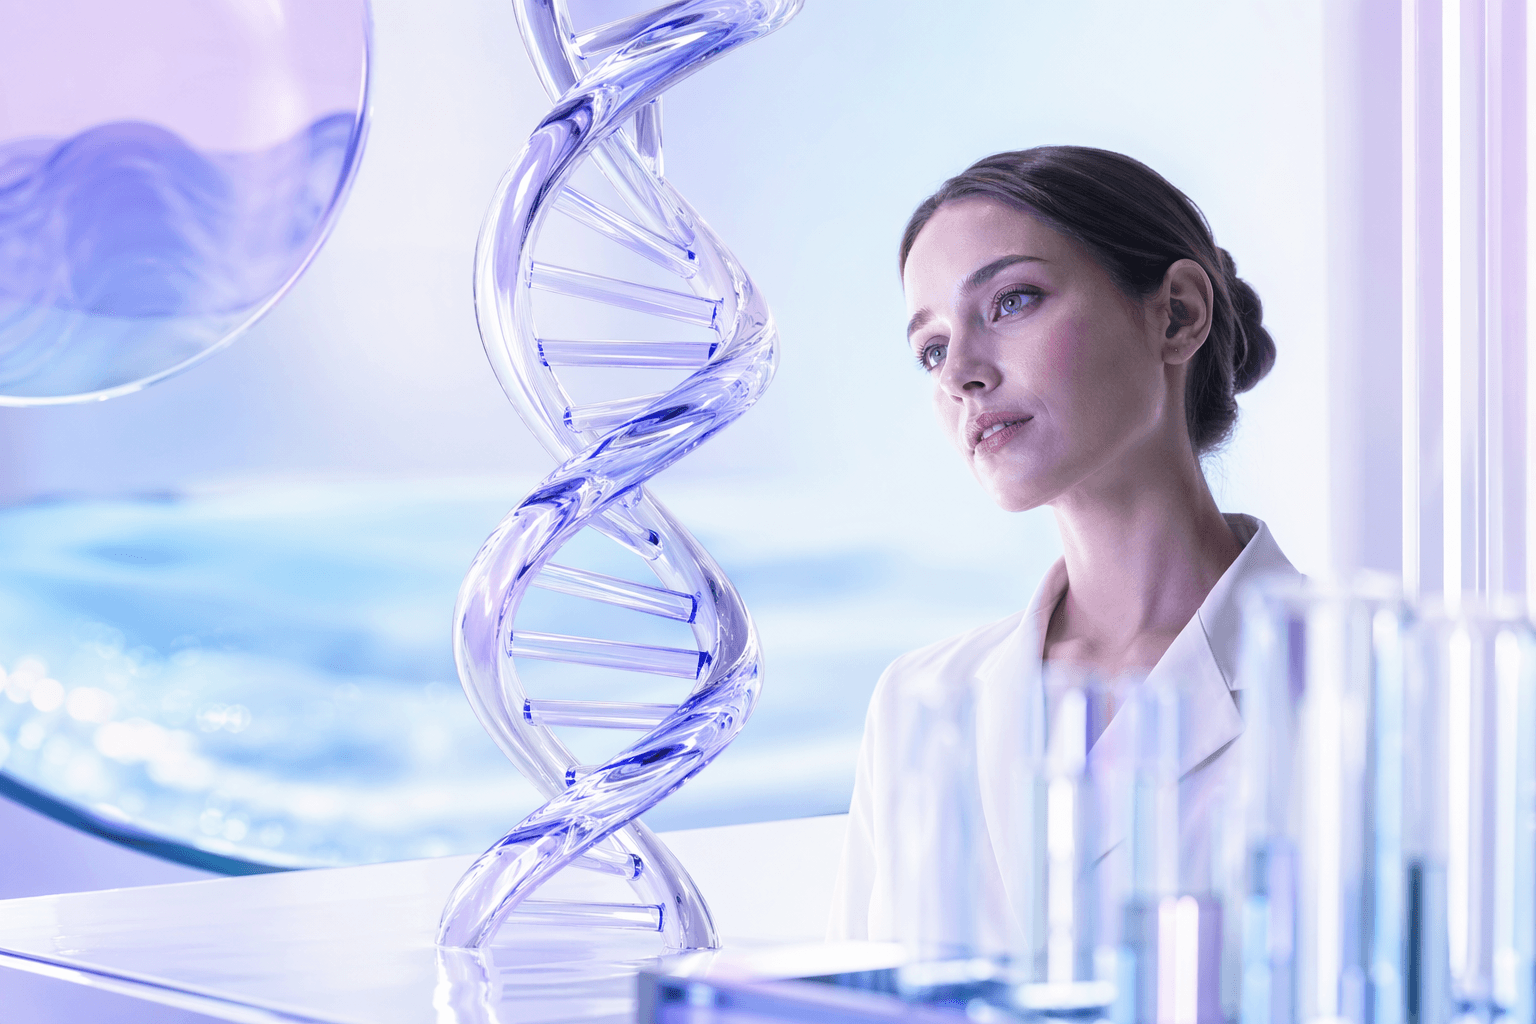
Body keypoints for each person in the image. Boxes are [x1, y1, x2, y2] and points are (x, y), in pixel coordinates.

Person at [827, 146, 1301, 948]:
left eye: (1012, 301)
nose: (962, 375)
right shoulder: (916, 702)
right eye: (933, 347)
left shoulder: (1357, 686)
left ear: (1178, 313)